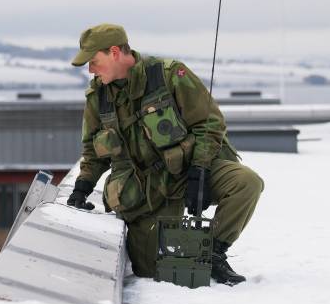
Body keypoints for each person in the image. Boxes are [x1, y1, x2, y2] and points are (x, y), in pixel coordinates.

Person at [65, 23, 263, 286]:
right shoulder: (97, 98)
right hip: (145, 191)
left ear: (114, 52)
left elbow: (210, 122)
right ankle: (190, 257)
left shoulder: (170, 76)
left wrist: (200, 171)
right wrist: (82, 186)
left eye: (93, 61)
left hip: (189, 168)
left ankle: (213, 251)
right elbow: (93, 150)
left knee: (246, 183)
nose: (91, 70)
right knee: (153, 272)